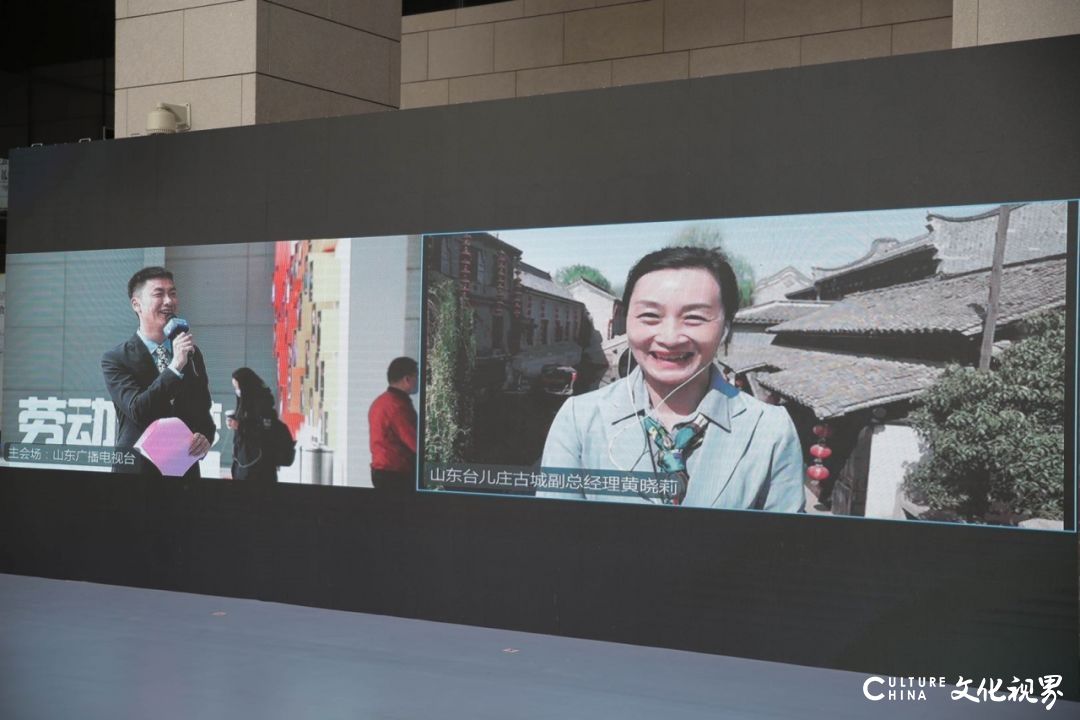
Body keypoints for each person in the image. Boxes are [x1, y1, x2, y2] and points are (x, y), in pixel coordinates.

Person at [541, 247, 804, 512]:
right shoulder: (579, 419)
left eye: (694, 318)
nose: (669, 337)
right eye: (650, 316)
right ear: (627, 320)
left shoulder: (771, 430)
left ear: (725, 327)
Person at [101, 266, 214, 478]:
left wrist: (206, 436)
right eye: (159, 294)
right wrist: (175, 367)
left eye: (172, 293)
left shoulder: (191, 353)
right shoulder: (116, 358)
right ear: (137, 304)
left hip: (184, 470)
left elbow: (203, 410)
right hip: (136, 470)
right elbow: (138, 410)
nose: (169, 301)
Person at [368, 357, 419, 490]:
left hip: (382, 472)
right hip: (396, 475)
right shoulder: (397, 406)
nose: (419, 381)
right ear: (407, 379)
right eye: (417, 376)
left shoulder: (380, 401)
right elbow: (415, 443)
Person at [230, 367, 280, 483]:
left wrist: (240, 426)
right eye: (235, 388)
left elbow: (265, 431)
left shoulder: (263, 403)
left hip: (258, 467)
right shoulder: (244, 401)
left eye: (238, 387)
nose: (237, 390)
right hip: (244, 463)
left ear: (246, 385)